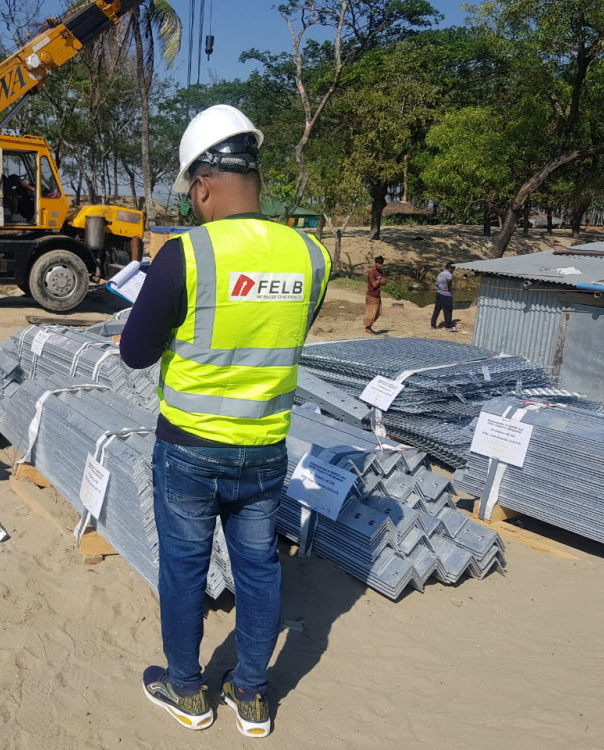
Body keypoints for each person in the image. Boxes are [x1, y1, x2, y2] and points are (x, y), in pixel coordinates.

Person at [119, 104, 331, 738]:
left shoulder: (185, 253)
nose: (193, 203)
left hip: (188, 447)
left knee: (184, 568)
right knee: (259, 567)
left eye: (191, 192)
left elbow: (135, 353)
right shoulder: (311, 256)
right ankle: (253, 694)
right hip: (265, 447)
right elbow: (282, 334)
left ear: (203, 184)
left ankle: (187, 690)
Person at [432, 262, 457, 332]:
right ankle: (448, 326)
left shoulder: (440, 274)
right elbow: (449, 280)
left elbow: (436, 284)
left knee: (437, 310)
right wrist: (447, 287)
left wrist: (441, 287)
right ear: (451, 268)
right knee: (448, 310)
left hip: (439, 293)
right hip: (446, 295)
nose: (453, 271)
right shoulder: (449, 274)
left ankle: (433, 324)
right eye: (453, 269)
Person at [364, 256, 386, 334]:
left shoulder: (380, 272)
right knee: (370, 313)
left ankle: (369, 327)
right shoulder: (372, 273)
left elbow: (384, 282)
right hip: (371, 295)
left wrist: (379, 281)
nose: (380, 265)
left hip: (377, 295)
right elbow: (374, 285)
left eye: (381, 264)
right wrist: (380, 281)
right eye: (379, 263)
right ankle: (368, 328)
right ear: (376, 263)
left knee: (378, 312)